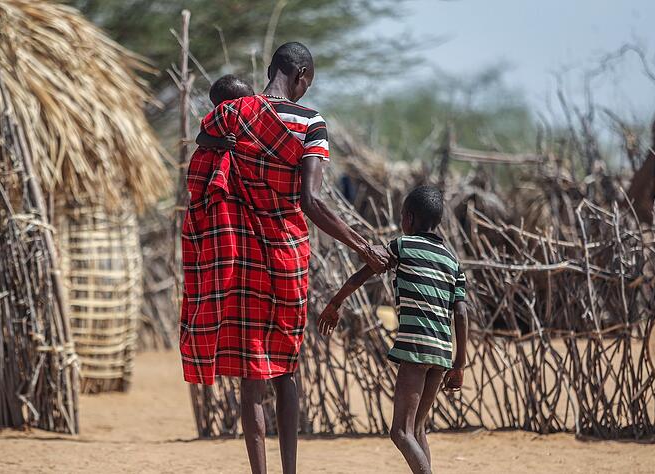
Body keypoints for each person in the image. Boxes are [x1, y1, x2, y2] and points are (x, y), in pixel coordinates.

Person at [180, 42, 390, 474]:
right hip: (286, 258)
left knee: (252, 379)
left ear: (269, 69)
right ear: (301, 77)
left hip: (243, 261)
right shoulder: (311, 121)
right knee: (286, 371)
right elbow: (310, 202)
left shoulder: (233, 113)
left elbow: (204, 140)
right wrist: (363, 245)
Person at [317, 185, 469, 474]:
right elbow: (460, 314)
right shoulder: (453, 263)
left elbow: (361, 275)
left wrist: (334, 304)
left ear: (408, 218)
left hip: (415, 348)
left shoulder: (402, 246)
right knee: (418, 428)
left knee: (400, 432)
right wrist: (459, 364)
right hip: (441, 352)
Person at [194, 74, 254, 151]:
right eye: (246, 102)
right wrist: (221, 142)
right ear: (226, 107)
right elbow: (200, 139)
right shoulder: (217, 120)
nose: (252, 103)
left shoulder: (252, 119)